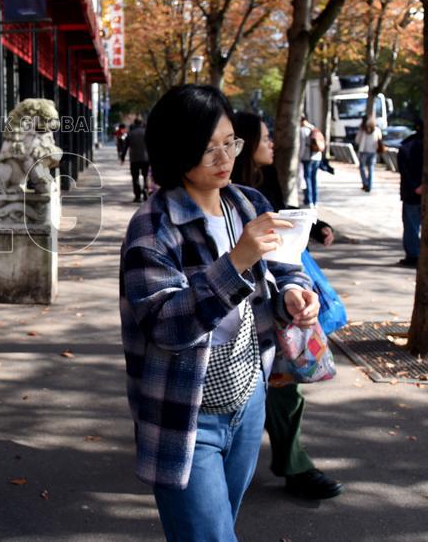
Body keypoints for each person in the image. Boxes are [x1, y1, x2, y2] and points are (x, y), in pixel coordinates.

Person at [120, 85, 319, 541]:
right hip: (185, 415)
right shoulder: (153, 226)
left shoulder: (249, 203)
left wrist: (294, 295)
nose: (223, 157)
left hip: (248, 400)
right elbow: (166, 325)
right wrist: (235, 264)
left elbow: (289, 267)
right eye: (207, 148)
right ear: (176, 151)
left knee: (219, 527)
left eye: (229, 142)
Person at [231, 112, 344, 500]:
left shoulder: (263, 185)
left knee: (282, 386)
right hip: (247, 308)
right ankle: (293, 466)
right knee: (279, 388)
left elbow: (285, 228)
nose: (272, 143)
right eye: (265, 138)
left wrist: (313, 225)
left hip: (278, 298)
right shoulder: (229, 196)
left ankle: (293, 464)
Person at [397, 120, 423, 267]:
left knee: (411, 225)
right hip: (412, 192)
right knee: (412, 224)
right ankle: (413, 254)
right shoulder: (411, 146)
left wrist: (415, 187)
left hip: (411, 192)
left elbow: (404, 171)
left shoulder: (407, 145)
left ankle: (413, 255)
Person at [298, 116, 324, 205]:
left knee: (307, 179)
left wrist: (299, 157)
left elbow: (302, 146)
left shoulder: (302, 130)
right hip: (317, 156)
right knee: (314, 178)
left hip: (307, 157)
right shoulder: (314, 128)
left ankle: (309, 200)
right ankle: (315, 200)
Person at [354, 116, 383, 192]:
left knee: (362, 168)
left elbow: (357, 140)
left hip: (364, 151)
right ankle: (369, 185)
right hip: (373, 151)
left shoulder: (362, 130)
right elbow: (380, 138)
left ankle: (365, 183)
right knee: (371, 168)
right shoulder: (377, 129)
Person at [127, 117, 150, 202]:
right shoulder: (147, 133)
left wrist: (122, 157)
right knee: (145, 176)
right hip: (146, 159)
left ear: (134, 123)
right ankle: (145, 191)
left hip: (134, 159)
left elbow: (126, 146)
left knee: (135, 177)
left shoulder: (131, 133)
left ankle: (137, 195)